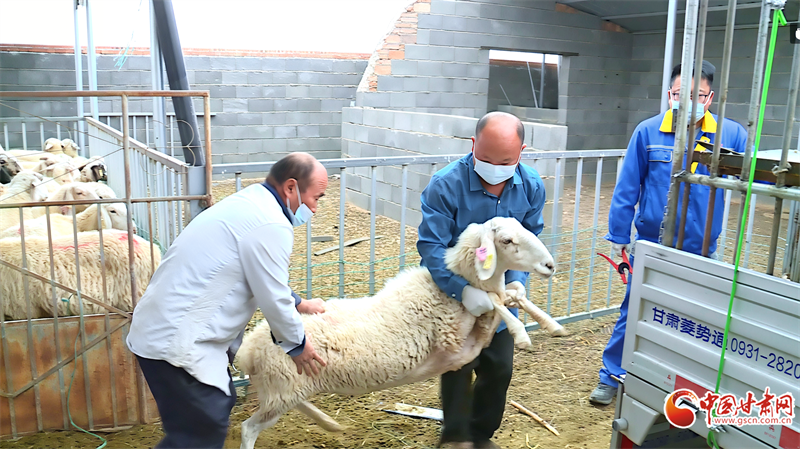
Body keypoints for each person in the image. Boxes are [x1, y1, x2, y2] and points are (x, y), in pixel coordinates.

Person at [126, 152, 330, 448]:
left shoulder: (249, 203)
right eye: (316, 197)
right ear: (291, 187)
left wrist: (299, 303)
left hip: (161, 328)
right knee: (202, 429)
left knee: (213, 409)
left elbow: (259, 274)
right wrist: (297, 345)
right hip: (177, 339)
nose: (315, 208)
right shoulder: (271, 224)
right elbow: (272, 295)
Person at [589, 61, 748, 405]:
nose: (688, 101)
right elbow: (627, 187)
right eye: (680, 94)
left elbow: (746, 177)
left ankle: (679, 379)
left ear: (710, 98)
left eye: (698, 95)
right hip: (653, 245)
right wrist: (619, 237)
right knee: (635, 311)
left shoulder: (731, 134)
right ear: (669, 95)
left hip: (702, 248)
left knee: (696, 316)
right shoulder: (648, 132)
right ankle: (612, 375)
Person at [417, 111, 546, 449]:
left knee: (499, 367)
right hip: (454, 293)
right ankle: (455, 436)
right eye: (486, 159)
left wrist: (512, 283)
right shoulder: (446, 185)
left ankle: (480, 433)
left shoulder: (531, 186)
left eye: (505, 162)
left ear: (521, 152)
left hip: (500, 295)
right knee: (458, 365)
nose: (494, 168)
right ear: (473, 144)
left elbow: (530, 239)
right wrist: (462, 291)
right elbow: (431, 246)